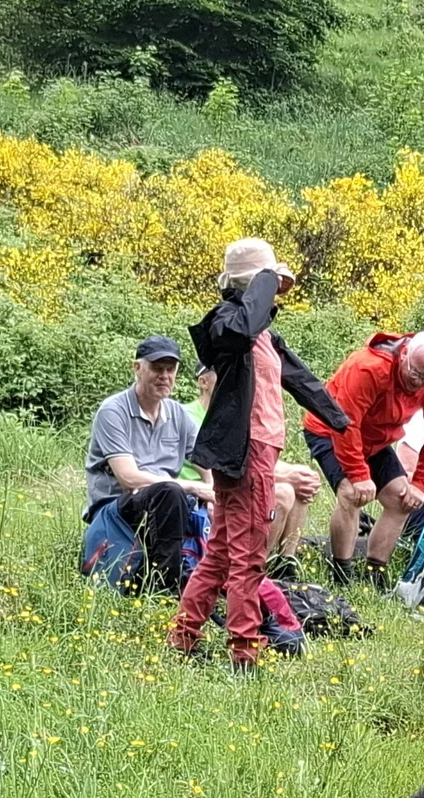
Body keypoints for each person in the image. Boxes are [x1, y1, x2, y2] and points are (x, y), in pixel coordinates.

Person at [170, 238, 351, 669]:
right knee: (249, 557)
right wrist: (267, 277)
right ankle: (244, 653)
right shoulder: (227, 322)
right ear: (253, 285)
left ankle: (183, 638)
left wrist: (341, 421)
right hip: (246, 447)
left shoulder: (264, 334)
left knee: (219, 552)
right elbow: (239, 328)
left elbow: (300, 379)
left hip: (262, 447)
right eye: (267, 284)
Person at [303, 331, 424, 589]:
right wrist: (359, 475)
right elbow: (344, 422)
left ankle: (375, 572)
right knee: (352, 494)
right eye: (415, 373)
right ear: (404, 356)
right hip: (330, 429)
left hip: (375, 438)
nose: (419, 383)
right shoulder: (368, 368)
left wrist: (421, 483)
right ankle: (342, 573)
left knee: (403, 499)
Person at [83, 335, 208, 592]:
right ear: (138, 369)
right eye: (157, 368)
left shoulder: (177, 414)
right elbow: (128, 478)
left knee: (194, 496)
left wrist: (213, 493)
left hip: (167, 501)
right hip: (117, 505)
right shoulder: (113, 411)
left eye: (170, 369)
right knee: (171, 492)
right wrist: (192, 487)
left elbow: (206, 461)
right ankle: (166, 586)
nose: (164, 376)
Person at [186, 363, 322, 579]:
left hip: (235, 481)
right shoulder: (190, 417)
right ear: (203, 382)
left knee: (302, 484)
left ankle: (285, 567)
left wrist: (297, 473)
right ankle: (253, 572)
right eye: (223, 375)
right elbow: (220, 464)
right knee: (282, 492)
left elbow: (254, 456)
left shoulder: (234, 417)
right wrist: (282, 475)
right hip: (204, 491)